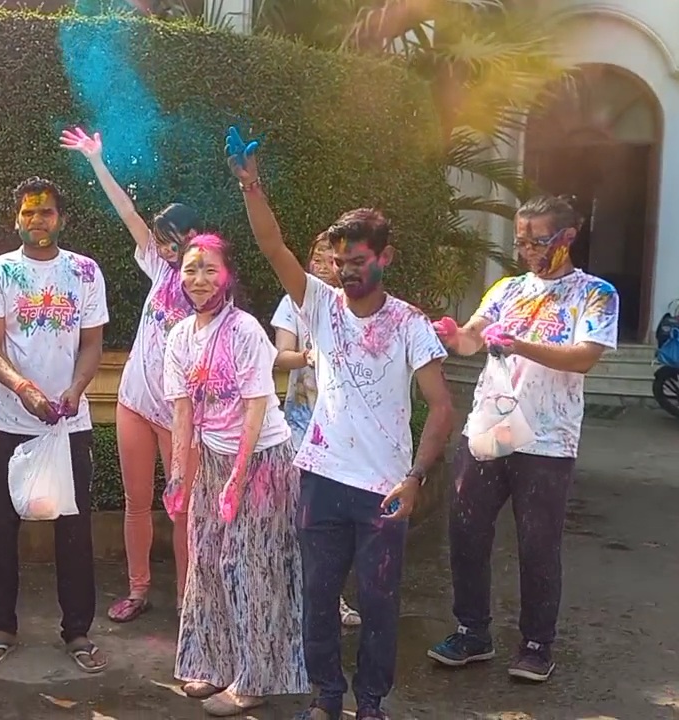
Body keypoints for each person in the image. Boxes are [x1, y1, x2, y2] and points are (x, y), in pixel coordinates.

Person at [225, 126, 455, 720]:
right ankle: (327, 697)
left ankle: (371, 702)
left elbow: (442, 406)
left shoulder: (409, 324)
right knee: (318, 601)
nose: (348, 272)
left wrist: (416, 477)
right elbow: (273, 247)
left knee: (379, 606)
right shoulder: (319, 306)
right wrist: (252, 187)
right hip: (322, 479)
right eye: (340, 262)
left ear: (384, 258)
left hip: (383, 489)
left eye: (359, 262)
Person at [427, 195, 619, 683]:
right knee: (466, 530)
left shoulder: (594, 293)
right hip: (490, 427)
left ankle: (537, 644)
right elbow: (473, 339)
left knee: (538, 542)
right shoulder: (507, 288)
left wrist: (521, 344)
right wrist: (454, 335)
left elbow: (583, 357)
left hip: (548, 437)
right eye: (521, 240)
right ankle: (472, 631)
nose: (528, 249)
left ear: (567, 238)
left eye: (538, 240)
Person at [161, 233, 308, 717]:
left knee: (250, 566)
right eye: (190, 270)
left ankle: (255, 677)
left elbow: (255, 409)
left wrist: (239, 476)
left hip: (261, 460)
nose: (199, 280)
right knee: (205, 560)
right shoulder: (180, 336)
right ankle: (212, 660)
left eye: (209, 270)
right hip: (215, 459)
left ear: (228, 275)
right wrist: (180, 475)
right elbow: (183, 412)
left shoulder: (246, 331)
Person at [60, 126, 197, 623]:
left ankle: (189, 598)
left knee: (182, 507)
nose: (163, 249)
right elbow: (127, 213)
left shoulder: (208, 291)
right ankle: (138, 590)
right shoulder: (159, 270)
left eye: (172, 241)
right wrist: (97, 159)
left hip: (181, 416)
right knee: (136, 501)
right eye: (159, 241)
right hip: (135, 402)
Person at [0, 177, 109, 673]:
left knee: (74, 530)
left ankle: (78, 632)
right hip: (7, 420)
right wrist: (25, 390)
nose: (38, 220)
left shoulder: (85, 272)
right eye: (29, 213)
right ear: (16, 219)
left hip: (69, 424)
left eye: (47, 212)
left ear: (61, 218)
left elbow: (92, 343)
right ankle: (1, 628)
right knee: (1, 529)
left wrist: (74, 391)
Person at [270, 233, 362, 629]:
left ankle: (332, 597)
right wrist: (306, 356)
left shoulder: (356, 308)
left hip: (343, 430)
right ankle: (289, 596)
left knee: (334, 522)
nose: (323, 266)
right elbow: (280, 355)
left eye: (331, 260)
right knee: (296, 515)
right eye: (317, 258)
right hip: (300, 424)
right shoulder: (294, 303)